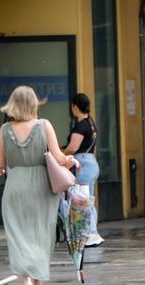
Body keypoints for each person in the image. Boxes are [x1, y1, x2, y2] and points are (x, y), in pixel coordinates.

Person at [0, 85, 76, 285]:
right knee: (40, 234)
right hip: (42, 186)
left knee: (19, 236)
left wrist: (1, 167)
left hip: (15, 187)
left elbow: (0, 166)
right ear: (34, 104)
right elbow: (58, 157)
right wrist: (68, 161)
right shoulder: (44, 125)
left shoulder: (4, 130)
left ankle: (27, 282)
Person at [62, 92, 103, 247]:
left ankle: (90, 233)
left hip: (83, 164)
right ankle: (92, 233)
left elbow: (73, 147)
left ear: (75, 107)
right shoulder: (90, 123)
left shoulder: (81, 125)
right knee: (88, 199)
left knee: (83, 200)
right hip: (91, 162)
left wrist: (60, 155)